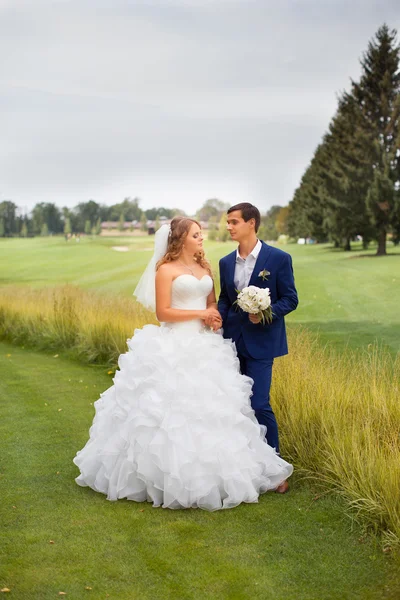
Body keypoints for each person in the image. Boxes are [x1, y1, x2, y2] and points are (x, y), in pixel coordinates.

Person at [73, 217, 292, 511]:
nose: (202, 239)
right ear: (180, 239)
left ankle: (220, 474)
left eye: (201, 234)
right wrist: (200, 315)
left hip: (207, 345)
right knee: (172, 411)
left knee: (216, 411)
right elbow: (163, 313)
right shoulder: (165, 270)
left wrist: (213, 314)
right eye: (196, 235)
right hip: (174, 345)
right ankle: (169, 478)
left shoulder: (204, 267)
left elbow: (213, 301)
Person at [218, 203, 298, 493]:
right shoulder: (226, 262)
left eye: (234, 221)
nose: (229, 226)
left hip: (263, 344)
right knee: (234, 405)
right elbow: (226, 299)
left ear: (251, 223)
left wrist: (265, 312)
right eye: (228, 222)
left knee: (259, 404)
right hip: (230, 343)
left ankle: (276, 470)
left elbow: (290, 299)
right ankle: (242, 467)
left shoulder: (278, 259)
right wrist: (218, 317)